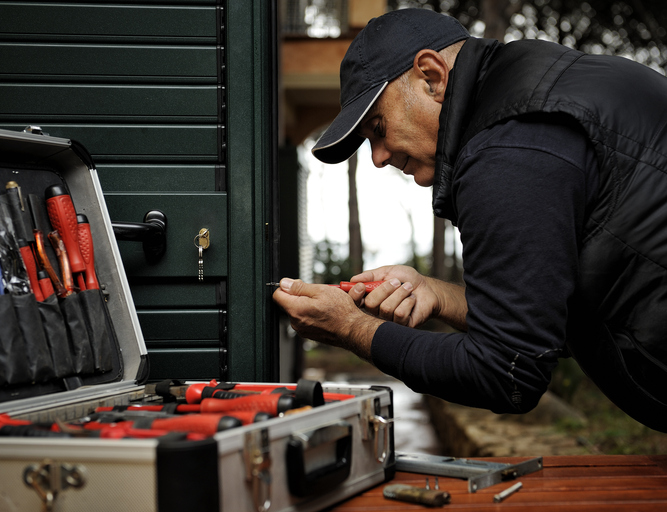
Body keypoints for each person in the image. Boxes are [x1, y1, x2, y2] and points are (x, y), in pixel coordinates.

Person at [272, 8, 667, 432]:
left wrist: (351, 328)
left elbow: (507, 373)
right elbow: (543, 319)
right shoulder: (539, 89)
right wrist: (438, 294)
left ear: (432, 76)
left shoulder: (507, 149)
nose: (378, 158)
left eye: (378, 128)